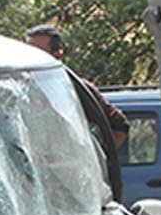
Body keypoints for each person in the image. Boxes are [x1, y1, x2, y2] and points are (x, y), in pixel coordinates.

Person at [23, 23, 128, 193]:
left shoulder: (75, 88)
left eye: (38, 53)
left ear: (57, 55)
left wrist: (92, 160)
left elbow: (119, 126)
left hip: (75, 186)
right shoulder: (20, 88)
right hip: (37, 184)